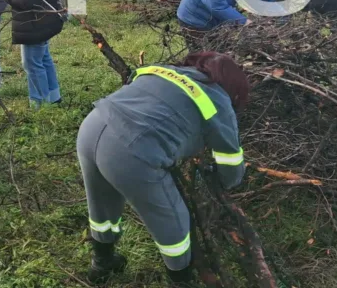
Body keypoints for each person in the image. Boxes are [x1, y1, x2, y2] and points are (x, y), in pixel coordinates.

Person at [78, 52, 249, 286]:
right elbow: (230, 162)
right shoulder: (217, 98)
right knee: (172, 220)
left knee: (101, 203)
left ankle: (102, 262)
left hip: (92, 127)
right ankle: (181, 282)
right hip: (132, 151)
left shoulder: (162, 70)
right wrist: (228, 181)